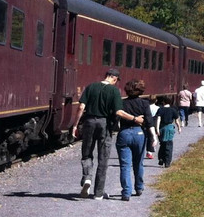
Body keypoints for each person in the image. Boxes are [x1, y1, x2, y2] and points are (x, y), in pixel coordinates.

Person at [70, 67, 143, 199]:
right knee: (103, 158)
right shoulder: (114, 90)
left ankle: (87, 178)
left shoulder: (91, 87)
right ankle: (98, 193)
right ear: (114, 78)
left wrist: (75, 125)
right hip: (105, 125)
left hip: (89, 122)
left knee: (87, 154)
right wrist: (134, 118)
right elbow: (118, 112)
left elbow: (81, 107)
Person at [115, 80, 152, 201]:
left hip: (124, 133)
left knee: (125, 165)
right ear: (141, 90)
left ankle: (126, 192)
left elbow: (115, 119)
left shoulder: (121, 103)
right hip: (139, 133)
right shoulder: (144, 103)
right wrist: (154, 137)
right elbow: (149, 121)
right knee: (138, 163)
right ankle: (139, 187)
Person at [154, 95, 181, 167]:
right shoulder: (173, 110)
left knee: (162, 144)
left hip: (161, 128)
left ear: (163, 101)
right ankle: (167, 162)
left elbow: (158, 119)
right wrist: (179, 128)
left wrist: (157, 129)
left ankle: (161, 158)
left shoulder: (160, 109)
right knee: (169, 145)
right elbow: (177, 120)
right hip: (169, 128)